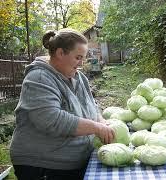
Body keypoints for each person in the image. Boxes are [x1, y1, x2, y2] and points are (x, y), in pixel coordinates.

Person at [10, 28, 115, 180]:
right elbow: (52, 120)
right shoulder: (39, 78)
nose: (81, 63)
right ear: (60, 53)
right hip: (43, 166)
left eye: (83, 58)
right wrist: (95, 127)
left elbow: (91, 106)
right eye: (78, 57)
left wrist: (101, 121)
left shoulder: (79, 77)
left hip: (73, 161)